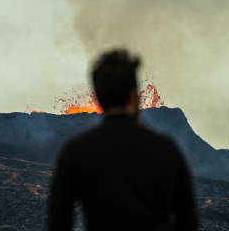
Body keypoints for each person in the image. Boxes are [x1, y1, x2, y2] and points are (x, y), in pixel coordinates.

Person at [47, 49, 198, 231]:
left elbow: (58, 223)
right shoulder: (165, 149)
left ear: (97, 99)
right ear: (134, 94)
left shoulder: (76, 151)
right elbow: (189, 221)